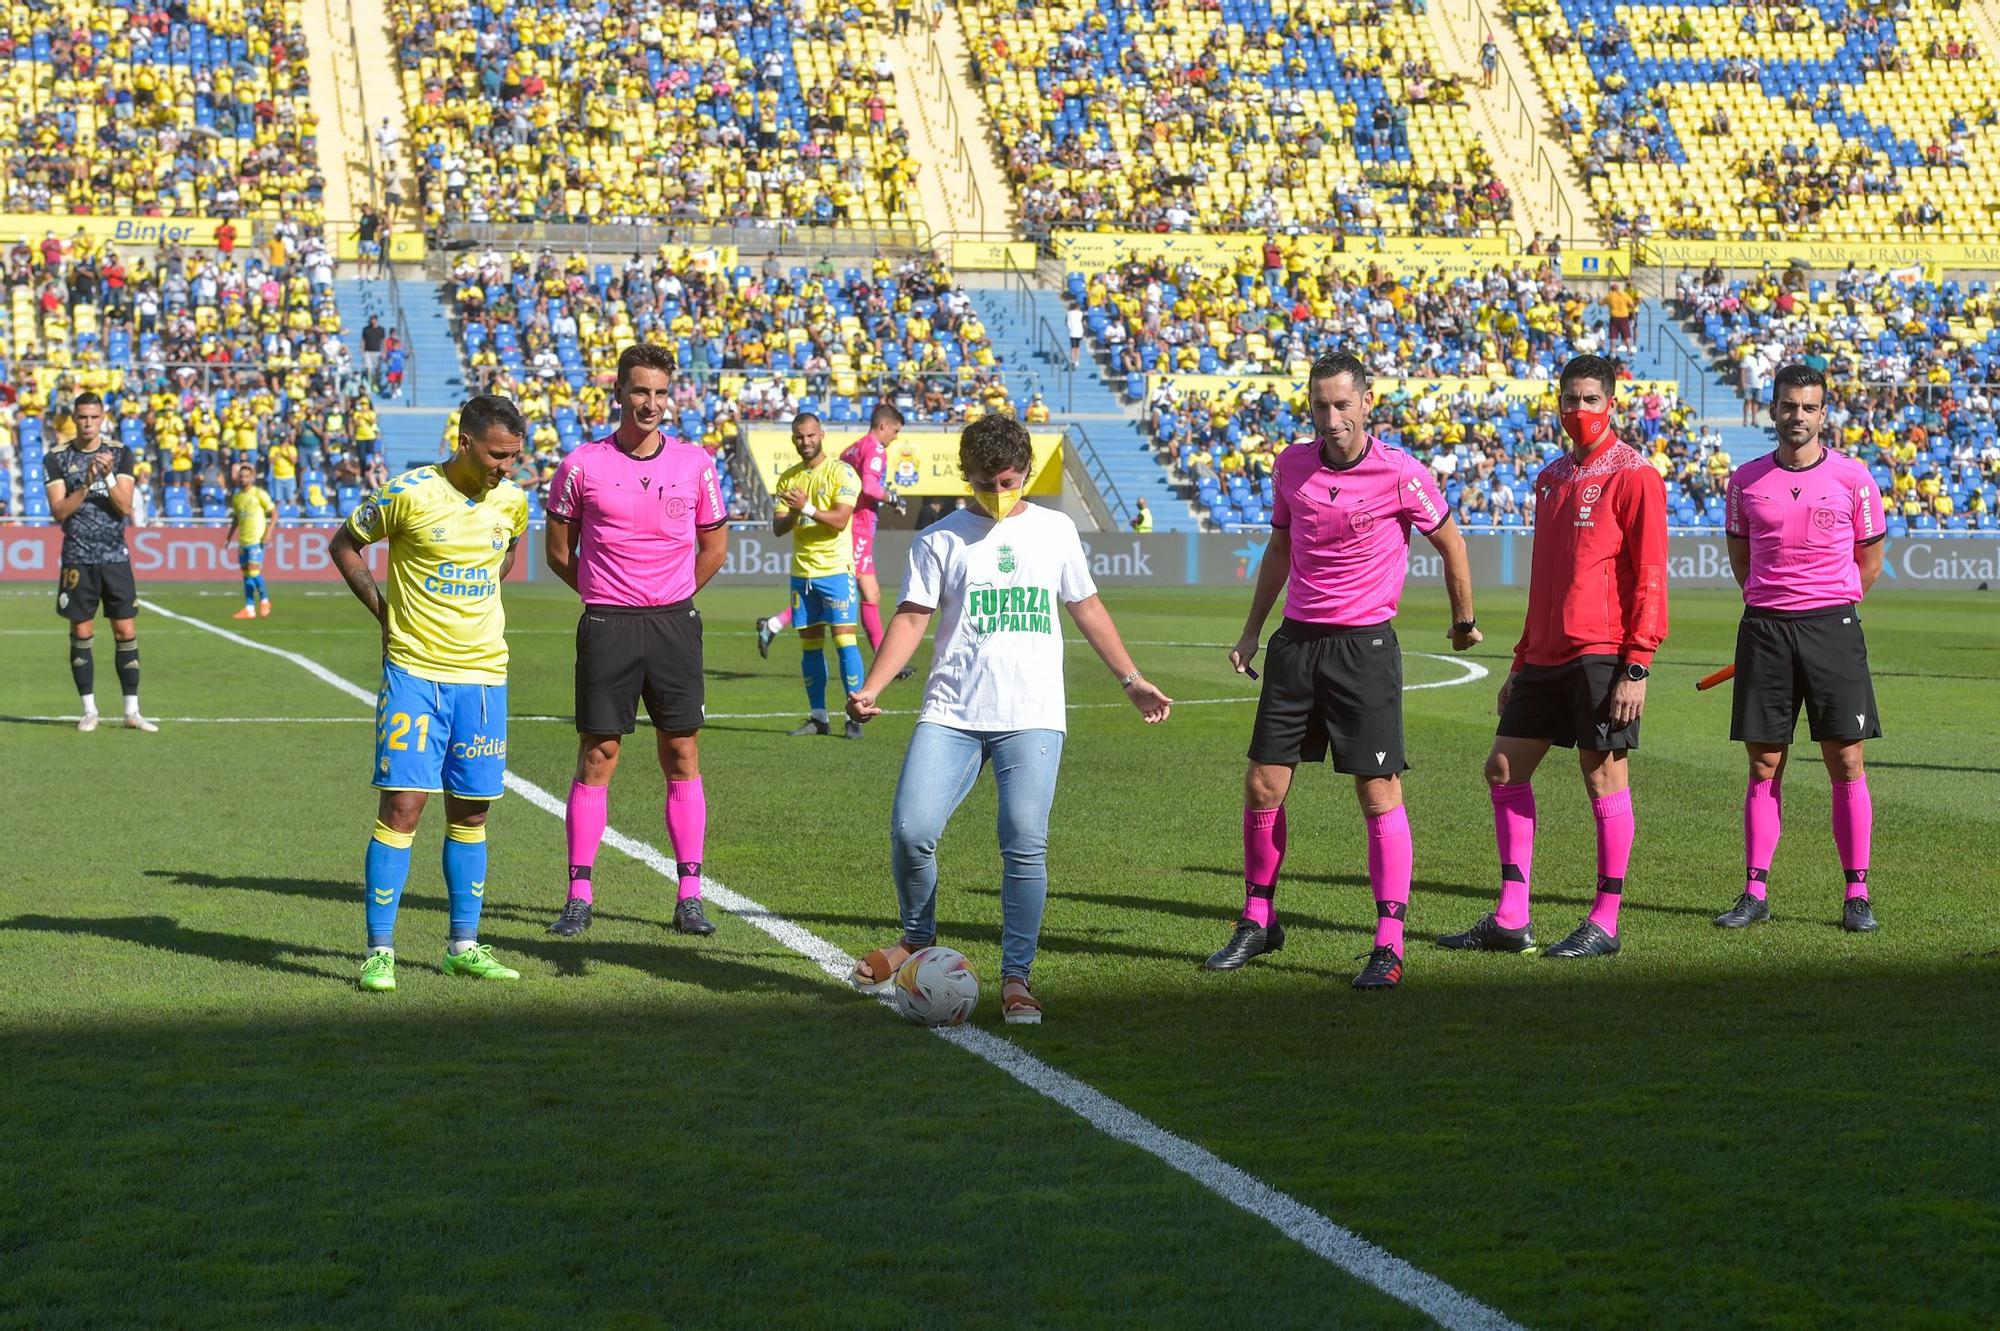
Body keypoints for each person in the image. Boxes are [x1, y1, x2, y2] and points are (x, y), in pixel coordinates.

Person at [845, 413, 1172, 1023]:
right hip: (951, 711)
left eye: (1010, 479)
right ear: (965, 476)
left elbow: (1087, 605)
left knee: (1024, 843)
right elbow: (913, 617)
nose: (999, 492)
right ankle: (917, 939)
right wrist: (871, 685)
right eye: (986, 482)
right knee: (911, 829)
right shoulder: (939, 538)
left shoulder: (1055, 531)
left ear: (1025, 472)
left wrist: (1131, 679)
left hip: (1033, 713)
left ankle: (1017, 977)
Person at [1209, 351, 1482, 989]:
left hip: (1363, 649)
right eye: (1319, 406)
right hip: (1296, 645)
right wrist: (1252, 630)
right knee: (1263, 785)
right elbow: (1280, 548)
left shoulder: (1401, 473)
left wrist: (1463, 620)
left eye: (1341, 405)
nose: (1330, 418)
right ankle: (1258, 919)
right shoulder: (1291, 465)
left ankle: (1389, 943)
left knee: (1377, 791)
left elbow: (1451, 543)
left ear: (1366, 403)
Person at [1439, 354, 1668, 959]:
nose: (1579, 410)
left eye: (1591, 399)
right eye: (1570, 399)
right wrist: (1519, 663)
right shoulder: (1551, 478)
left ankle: (1606, 920)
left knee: (1602, 775)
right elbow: (1544, 582)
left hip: (1602, 652)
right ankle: (1512, 916)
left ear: (1612, 404)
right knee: (1504, 769)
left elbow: (1649, 576)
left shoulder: (1636, 475)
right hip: (1542, 655)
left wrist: (1636, 665)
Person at [327, 395, 532, 992]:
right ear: (464, 441)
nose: (506, 468)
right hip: (416, 673)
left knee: (472, 813)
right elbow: (345, 544)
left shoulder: (513, 503)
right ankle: (380, 950)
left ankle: (462, 946)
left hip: (485, 678)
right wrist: (385, 613)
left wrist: (482, 593)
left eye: (514, 456)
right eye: (498, 455)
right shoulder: (409, 493)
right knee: (403, 808)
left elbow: (508, 548)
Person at [542, 345, 730, 939]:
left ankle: (690, 895)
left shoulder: (696, 463)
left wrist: (671, 596)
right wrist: (605, 593)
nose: (650, 403)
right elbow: (557, 551)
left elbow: (714, 547)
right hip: (608, 625)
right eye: (640, 391)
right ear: (619, 394)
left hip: (675, 624)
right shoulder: (580, 465)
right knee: (600, 755)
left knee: (681, 754)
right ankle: (578, 894)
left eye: (659, 392)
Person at [1716, 364, 1884, 933]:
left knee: (1847, 760)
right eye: (1789, 406)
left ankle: (1856, 893)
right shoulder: (1744, 481)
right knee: (1765, 763)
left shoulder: (1855, 479)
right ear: (1773, 409)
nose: (1798, 417)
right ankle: (1754, 891)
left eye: (1809, 408)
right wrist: (1775, 604)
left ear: (1823, 413)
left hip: (1832, 629)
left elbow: (1871, 561)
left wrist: (1825, 605)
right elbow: (1742, 560)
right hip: (1765, 629)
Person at [754, 403, 905, 662]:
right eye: (896, 430)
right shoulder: (876, 448)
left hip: (851, 524)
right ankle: (885, 661)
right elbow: (868, 487)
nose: (896, 436)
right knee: (856, 595)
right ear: (884, 426)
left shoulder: (852, 448)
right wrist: (892, 498)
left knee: (866, 593)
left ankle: (775, 624)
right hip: (856, 527)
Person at [42, 392, 153, 732]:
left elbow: (124, 508)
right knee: (81, 631)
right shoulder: (57, 458)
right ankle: (89, 710)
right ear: (73, 419)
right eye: (82, 417)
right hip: (78, 556)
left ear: (102, 417)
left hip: (114, 556)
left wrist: (104, 476)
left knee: (126, 630)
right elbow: (59, 511)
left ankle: (132, 712)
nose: (88, 423)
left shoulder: (120, 454)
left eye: (93, 417)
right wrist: (88, 481)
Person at [773, 413, 867, 738]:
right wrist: (796, 512)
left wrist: (807, 507)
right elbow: (778, 528)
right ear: (793, 439)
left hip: (835, 571)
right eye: (799, 437)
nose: (806, 441)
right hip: (803, 573)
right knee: (810, 646)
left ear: (822, 435)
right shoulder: (788, 479)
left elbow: (841, 520)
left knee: (844, 641)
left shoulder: (842, 472)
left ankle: (854, 716)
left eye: (811, 435)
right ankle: (818, 718)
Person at [223, 462, 277, 620]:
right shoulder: (237, 497)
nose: (243, 479)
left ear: (252, 478)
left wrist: (268, 533)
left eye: (246, 476)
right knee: (246, 574)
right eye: (241, 476)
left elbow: (274, 514)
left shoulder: (259, 494)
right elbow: (236, 519)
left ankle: (265, 600)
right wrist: (228, 537)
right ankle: (249, 608)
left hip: (256, 539)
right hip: (243, 540)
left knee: (254, 571)